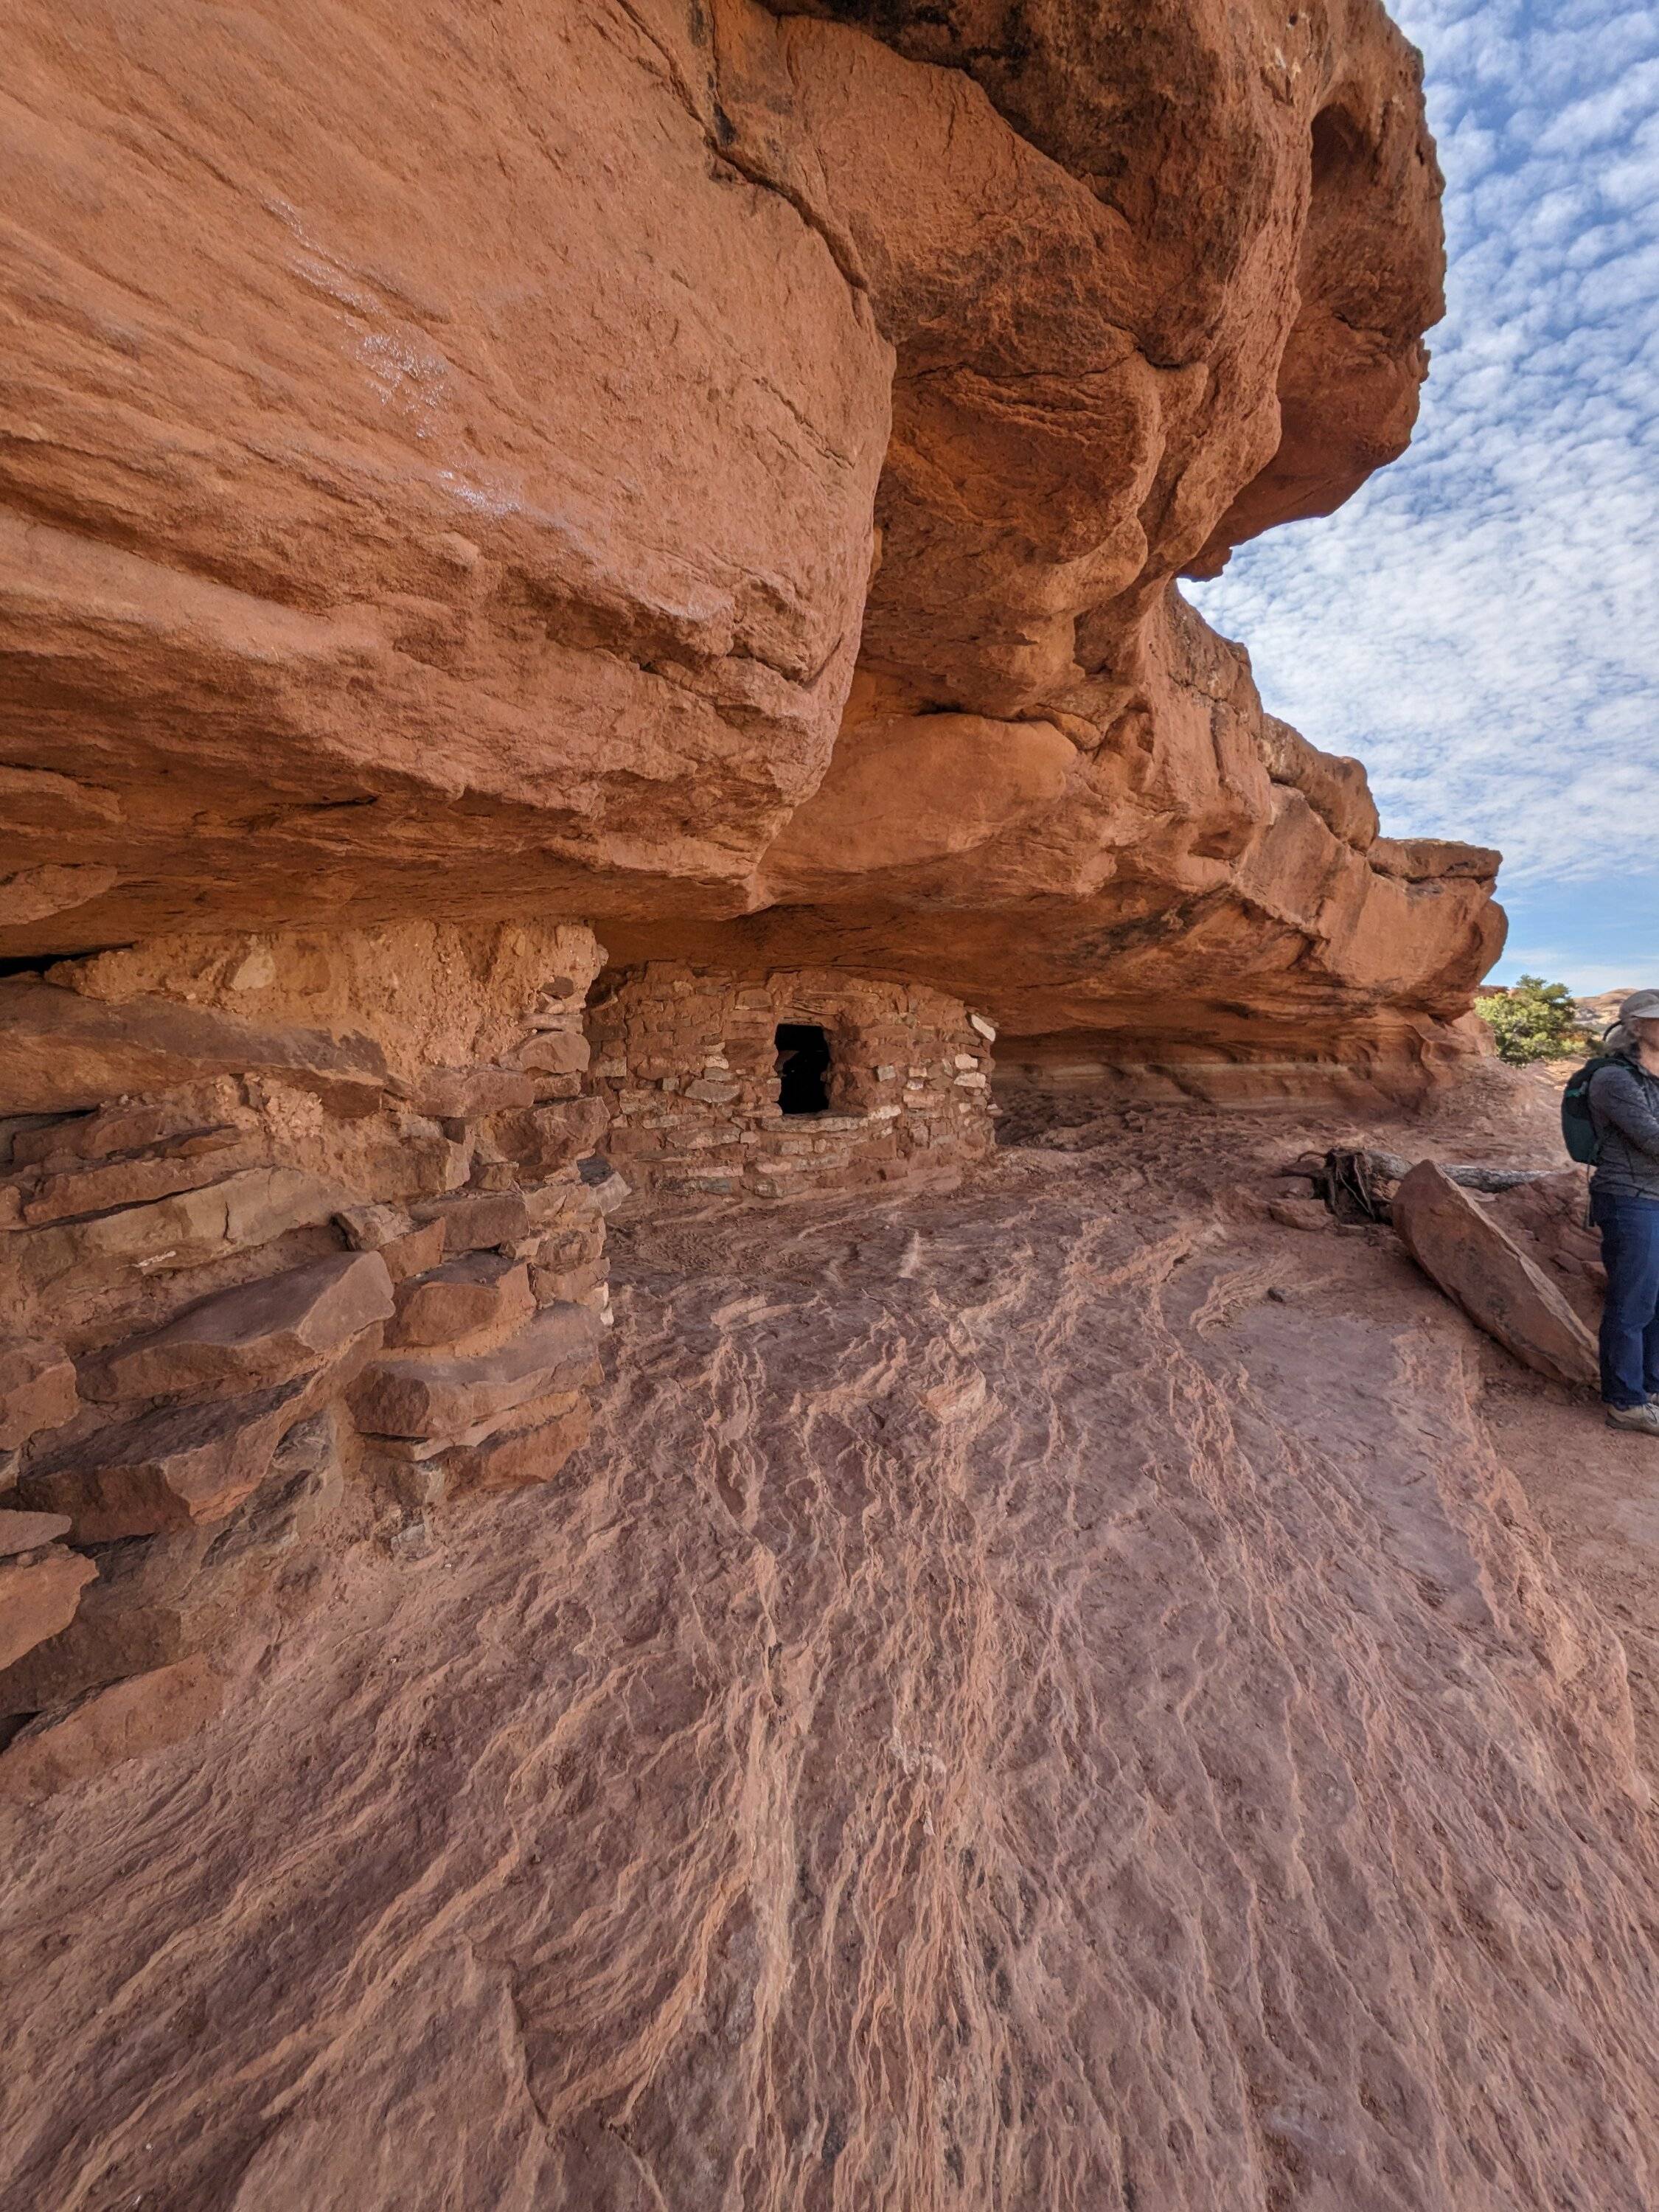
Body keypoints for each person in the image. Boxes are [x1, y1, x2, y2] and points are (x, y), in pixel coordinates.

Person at [1588, 989, 1659, 1433]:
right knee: (1633, 1301)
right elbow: (1653, 1140)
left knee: (1657, 1299)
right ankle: (1625, 1401)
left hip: (1654, 1198)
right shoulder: (1614, 1079)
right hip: (1629, 1199)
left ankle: (1651, 1388)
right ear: (1636, 1027)